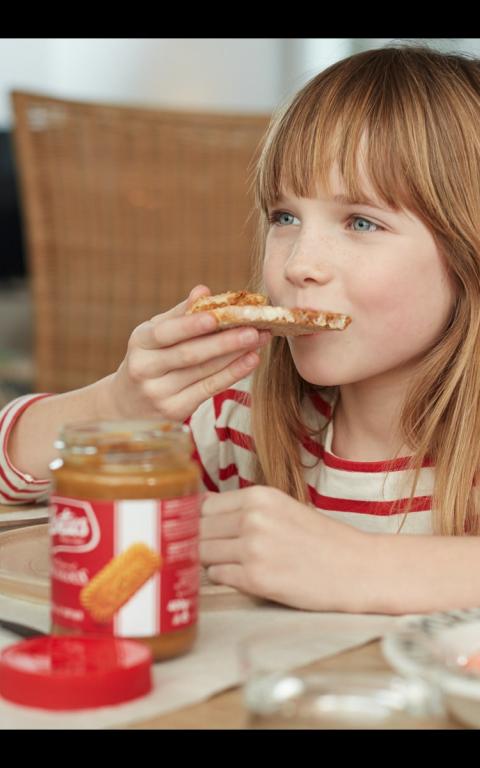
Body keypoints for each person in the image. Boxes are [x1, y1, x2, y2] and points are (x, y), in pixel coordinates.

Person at [2, 43, 480, 615]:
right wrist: (116, 403)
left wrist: (362, 566)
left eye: (361, 222)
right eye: (285, 217)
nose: (300, 262)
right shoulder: (238, 422)